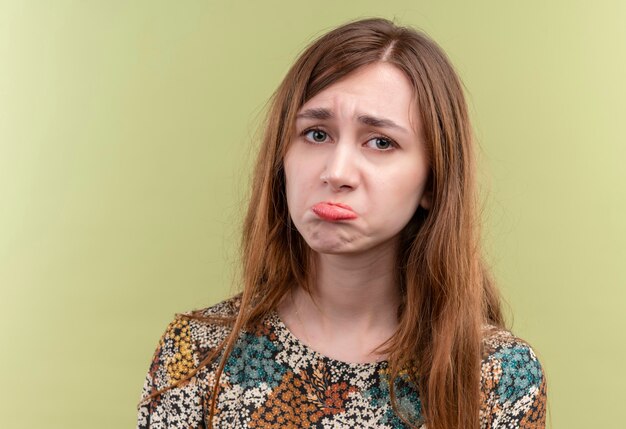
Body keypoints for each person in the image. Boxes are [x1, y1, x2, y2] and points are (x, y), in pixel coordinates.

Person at [137, 18, 546, 429]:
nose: (336, 172)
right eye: (316, 134)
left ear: (433, 180)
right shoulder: (198, 355)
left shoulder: (495, 377)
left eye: (381, 142)